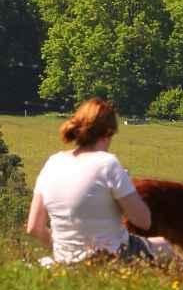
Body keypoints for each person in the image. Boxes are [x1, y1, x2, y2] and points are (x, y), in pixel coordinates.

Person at [27, 97, 155, 265]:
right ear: (108, 133)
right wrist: (126, 189)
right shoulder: (107, 163)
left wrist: (67, 251)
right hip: (111, 257)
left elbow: (34, 227)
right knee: (167, 247)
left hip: (64, 260)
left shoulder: (52, 163)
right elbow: (144, 221)